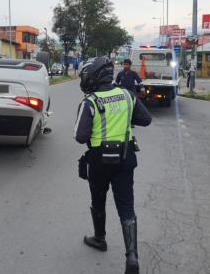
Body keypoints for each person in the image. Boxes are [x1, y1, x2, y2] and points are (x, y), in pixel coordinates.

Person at [74, 57, 152, 274]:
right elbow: (146, 120)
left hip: (99, 162)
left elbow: (80, 137)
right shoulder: (127, 95)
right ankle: (132, 257)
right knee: (126, 206)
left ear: (94, 77)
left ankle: (100, 239)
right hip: (125, 160)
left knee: (98, 200)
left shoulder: (90, 102)